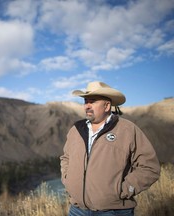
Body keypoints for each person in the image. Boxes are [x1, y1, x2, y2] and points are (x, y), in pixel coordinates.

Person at [60, 81, 160, 216]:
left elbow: (149, 167)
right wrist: (67, 180)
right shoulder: (76, 130)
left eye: (92, 101)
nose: (87, 106)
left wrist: (122, 189)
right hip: (77, 210)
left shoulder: (127, 130)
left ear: (107, 106)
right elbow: (66, 157)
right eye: (85, 101)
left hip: (114, 211)